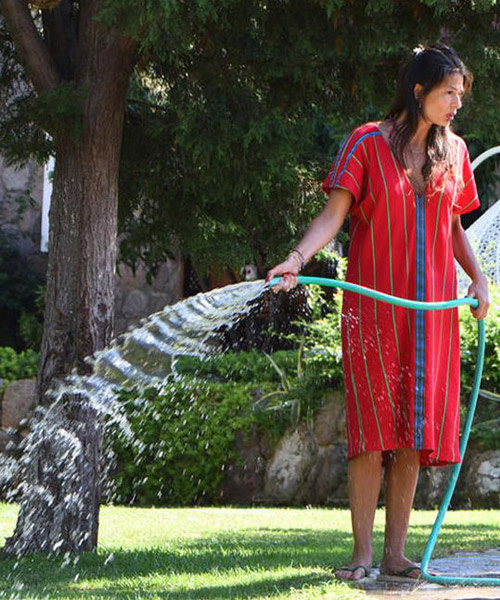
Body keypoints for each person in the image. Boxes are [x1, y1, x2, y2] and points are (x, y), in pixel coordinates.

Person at [266, 44, 490, 581]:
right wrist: (297, 258)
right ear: (418, 92)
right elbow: (333, 214)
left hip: (432, 312)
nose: (457, 103)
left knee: (413, 431)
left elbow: (455, 227)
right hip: (374, 310)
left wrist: (478, 278)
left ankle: (395, 556)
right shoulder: (366, 142)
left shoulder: (455, 151)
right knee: (372, 429)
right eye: (448, 93)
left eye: (461, 93)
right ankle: (362, 556)